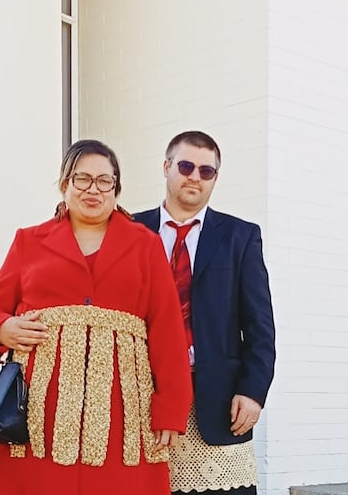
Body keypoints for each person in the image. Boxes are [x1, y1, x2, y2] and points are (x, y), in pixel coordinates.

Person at [0, 139, 193, 495]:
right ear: (65, 184)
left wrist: (171, 410)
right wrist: (1, 328)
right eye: (82, 179)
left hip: (122, 407)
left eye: (105, 181)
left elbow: (167, 331)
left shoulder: (144, 244)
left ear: (116, 188)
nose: (93, 189)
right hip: (37, 407)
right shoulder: (29, 241)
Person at [133, 131, 275, 495]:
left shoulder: (240, 237)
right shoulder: (130, 231)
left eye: (207, 171)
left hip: (218, 399)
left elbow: (260, 327)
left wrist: (253, 391)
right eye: (185, 166)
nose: (195, 176)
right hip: (142, 397)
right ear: (166, 167)